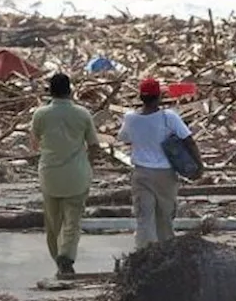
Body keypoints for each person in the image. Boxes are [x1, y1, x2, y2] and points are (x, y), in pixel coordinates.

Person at [117, 77, 204, 249]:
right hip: (165, 174)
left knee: (144, 218)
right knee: (164, 218)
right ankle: (166, 253)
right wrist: (199, 165)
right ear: (159, 97)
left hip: (141, 173)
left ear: (141, 97)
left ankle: (144, 254)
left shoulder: (130, 118)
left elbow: (123, 138)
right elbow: (189, 140)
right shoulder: (168, 117)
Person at [29, 73, 101, 277]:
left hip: (50, 174)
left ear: (50, 92)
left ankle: (58, 258)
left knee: (53, 222)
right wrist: (89, 164)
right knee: (73, 220)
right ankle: (66, 257)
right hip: (77, 174)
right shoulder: (82, 114)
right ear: (70, 91)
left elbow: (34, 143)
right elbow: (94, 146)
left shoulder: (40, 114)